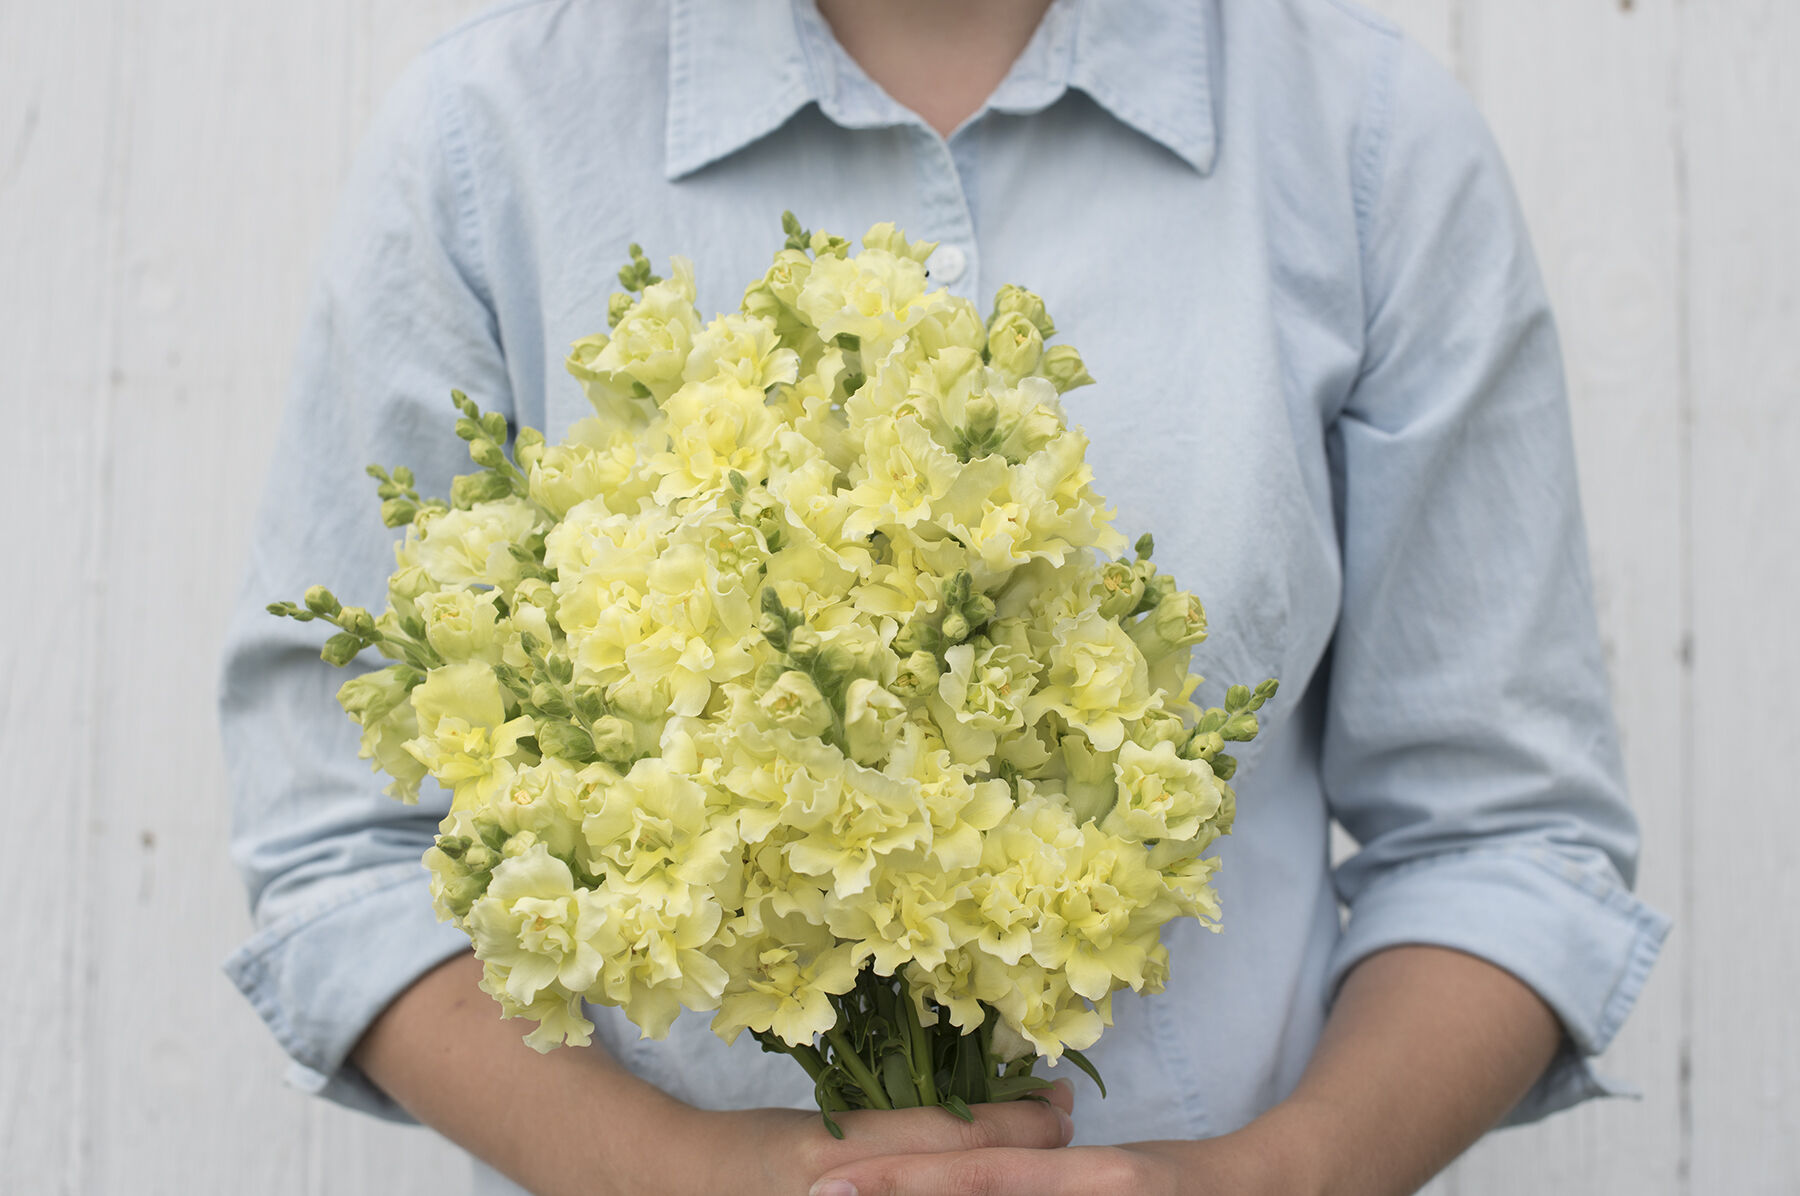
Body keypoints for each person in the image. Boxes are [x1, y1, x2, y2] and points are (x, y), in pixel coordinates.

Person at [219, 1, 1671, 1193]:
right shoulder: (486, 143)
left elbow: (1505, 840)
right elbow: (348, 851)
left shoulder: (1364, 145)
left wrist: (1250, 1184)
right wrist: (677, 1172)